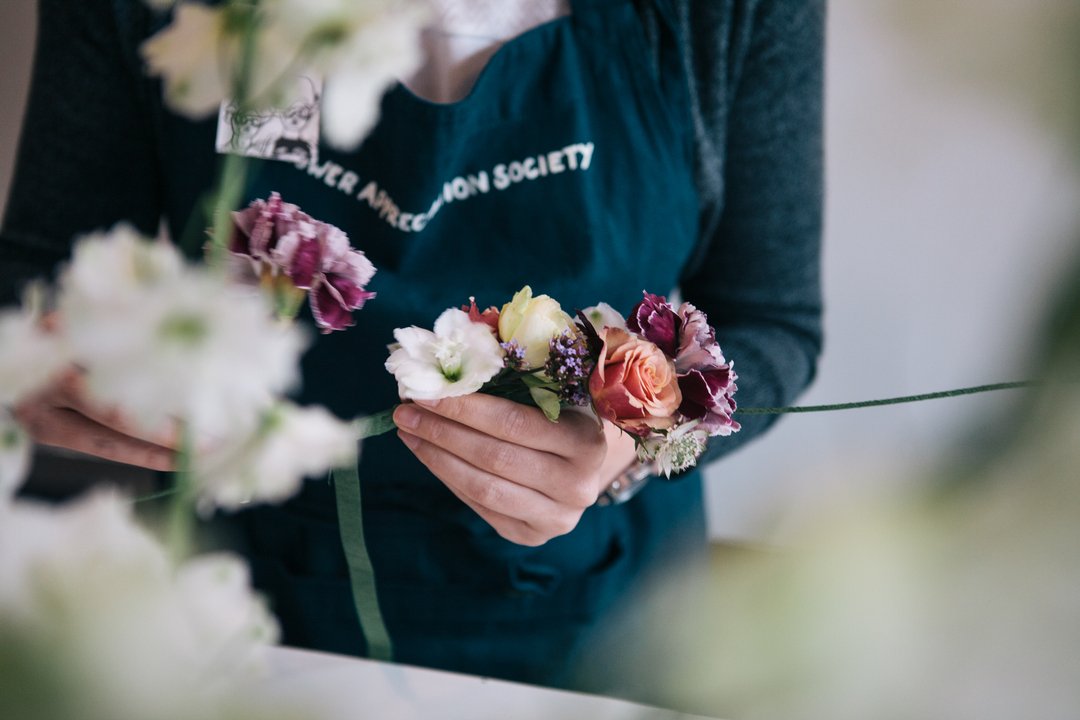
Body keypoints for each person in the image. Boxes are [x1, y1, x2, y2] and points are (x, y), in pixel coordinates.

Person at [0, 0, 824, 694]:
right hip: (237, 609)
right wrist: (39, 367)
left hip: (599, 628)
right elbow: (39, 284)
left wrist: (634, 446)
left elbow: (773, 321)